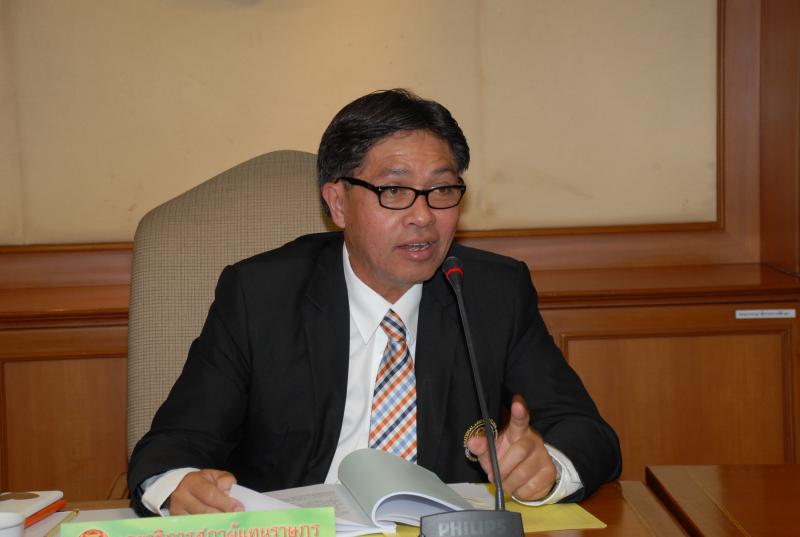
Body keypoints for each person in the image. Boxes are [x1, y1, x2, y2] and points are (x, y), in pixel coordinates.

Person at [127, 89, 621, 516]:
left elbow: (587, 432)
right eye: (395, 190)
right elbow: (172, 446)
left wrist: (548, 471)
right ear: (338, 203)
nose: (423, 216)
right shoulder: (260, 296)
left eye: (441, 190)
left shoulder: (493, 293)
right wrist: (180, 488)